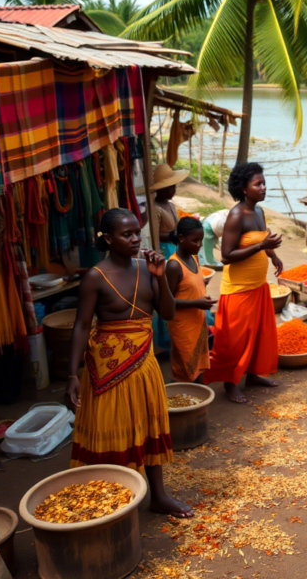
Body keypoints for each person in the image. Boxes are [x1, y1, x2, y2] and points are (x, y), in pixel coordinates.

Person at [64, 208, 192, 518]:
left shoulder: (147, 269)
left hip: (144, 363)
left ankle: (158, 496)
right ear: (108, 239)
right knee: (112, 427)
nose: (136, 239)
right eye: (127, 234)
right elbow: (81, 325)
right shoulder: (95, 277)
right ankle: (114, 498)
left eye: (137, 232)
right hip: (108, 368)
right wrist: (71, 375)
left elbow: (168, 313)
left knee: (149, 426)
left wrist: (160, 276)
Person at [205, 162, 283, 403]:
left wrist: (273, 255)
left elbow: (262, 239)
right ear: (243, 188)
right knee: (234, 339)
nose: (263, 187)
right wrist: (261, 246)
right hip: (238, 288)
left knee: (258, 333)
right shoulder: (237, 215)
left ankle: (253, 375)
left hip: (258, 284)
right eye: (258, 184)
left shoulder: (259, 212)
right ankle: (230, 383)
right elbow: (226, 256)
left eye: (264, 183)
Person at [165, 217, 217, 383]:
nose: (199, 245)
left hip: (197, 321)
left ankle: (198, 392)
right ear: (181, 238)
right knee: (186, 368)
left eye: (201, 240)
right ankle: (184, 393)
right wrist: (196, 302)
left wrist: (202, 294)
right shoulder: (174, 265)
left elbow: (190, 287)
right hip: (183, 325)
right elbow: (167, 301)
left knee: (198, 365)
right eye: (195, 240)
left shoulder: (194, 258)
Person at [150, 163, 189, 349]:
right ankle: (166, 337)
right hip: (165, 250)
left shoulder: (171, 205)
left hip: (175, 247)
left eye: (174, 186)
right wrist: (174, 236)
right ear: (160, 189)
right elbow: (155, 233)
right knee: (168, 288)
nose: (173, 190)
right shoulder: (155, 208)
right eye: (169, 187)